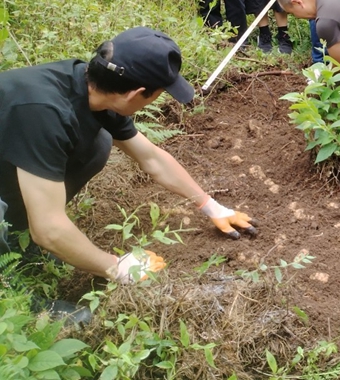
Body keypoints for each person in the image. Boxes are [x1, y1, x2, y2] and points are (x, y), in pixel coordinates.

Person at [0, 28, 256, 288]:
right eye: (160, 93)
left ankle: (17, 237)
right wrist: (115, 267)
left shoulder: (89, 88)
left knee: (98, 144)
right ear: (135, 94)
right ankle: (15, 292)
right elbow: (49, 230)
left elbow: (152, 159)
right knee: (36, 224)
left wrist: (211, 206)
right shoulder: (44, 113)